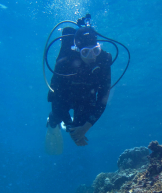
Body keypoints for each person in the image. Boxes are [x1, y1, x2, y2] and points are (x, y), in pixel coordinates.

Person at [45, 26, 112, 154]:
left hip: (86, 99)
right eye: (85, 52)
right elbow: (56, 100)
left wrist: (86, 127)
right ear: (77, 50)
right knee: (58, 115)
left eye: (96, 51)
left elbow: (103, 98)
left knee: (79, 130)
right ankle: (52, 123)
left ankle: (72, 125)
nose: (92, 57)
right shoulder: (65, 63)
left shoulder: (104, 61)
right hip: (64, 97)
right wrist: (70, 126)